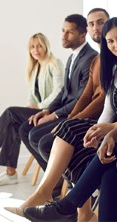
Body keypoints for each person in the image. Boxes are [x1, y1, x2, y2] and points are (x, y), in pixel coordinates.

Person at [23, 17, 117, 222]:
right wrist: (94, 132)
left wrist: (111, 130)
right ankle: (75, 207)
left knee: (79, 134)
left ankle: (68, 204)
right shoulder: (115, 71)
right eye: (110, 41)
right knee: (107, 174)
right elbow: (108, 110)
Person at [4, 8, 109, 218]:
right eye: (92, 23)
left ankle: (56, 191)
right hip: (80, 116)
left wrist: (64, 118)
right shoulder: (87, 60)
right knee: (28, 129)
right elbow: (84, 95)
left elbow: (98, 98)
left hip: (98, 120)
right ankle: (60, 191)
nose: (96, 27)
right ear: (87, 29)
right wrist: (50, 112)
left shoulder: (96, 57)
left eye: (101, 22)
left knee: (41, 138)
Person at [0, 33, 64, 187]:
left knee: (10, 112)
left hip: (50, 112)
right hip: (39, 110)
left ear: (46, 46)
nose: (35, 49)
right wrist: (30, 107)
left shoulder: (54, 63)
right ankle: (10, 173)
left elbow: (59, 91)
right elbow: (31, 97)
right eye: (32, 46)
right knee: (13, 124)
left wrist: (40, 106)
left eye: (39, 45)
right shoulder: (34, 67)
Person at [18, 14, 98, 172]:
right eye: (63, 31)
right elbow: (64, 91)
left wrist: (53, 115)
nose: (63, 36)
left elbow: (81, 98)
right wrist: (48, 110)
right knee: (25, 129)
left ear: (83, 35)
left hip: (77, 113)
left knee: (36, 136)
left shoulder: (90, 57)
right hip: (63, 110)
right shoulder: (72, 57)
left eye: (70, 32)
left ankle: (64, 180)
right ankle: (56, 183)